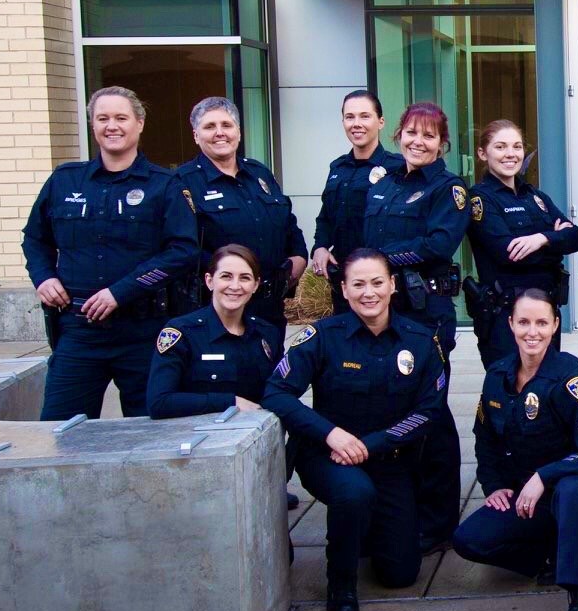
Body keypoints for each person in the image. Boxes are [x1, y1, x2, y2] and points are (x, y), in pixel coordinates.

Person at [263, 249, 447, 611]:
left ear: (392, 285)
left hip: (388, 459)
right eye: (358, 284)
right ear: (343, 290)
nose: (369, 292)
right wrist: (331, 434)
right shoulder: (321, 336)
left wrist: (371, 444)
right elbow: (276, 392)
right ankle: (341, 581)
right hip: (328, 457)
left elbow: (428, 412)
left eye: (377, 282)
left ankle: (365, 533)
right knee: (354, 493)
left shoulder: (420, 340)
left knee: (401, 575)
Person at [452, 290, 578, 611]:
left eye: (542, 323)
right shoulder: (497, 376)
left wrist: (545, 475)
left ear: (555, 325)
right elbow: (484, 438)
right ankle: (552, 553)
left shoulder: (568, 378)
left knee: (570, 489)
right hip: (533, 497)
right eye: (525, 322)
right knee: (469, 539)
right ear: (511, 324)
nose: (533, 332)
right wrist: (495, 485)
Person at [23, 86, 198, 420]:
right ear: (93, 125)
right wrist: (43, 277)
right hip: (79, 331)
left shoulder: (164, 185)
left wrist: (121, 292)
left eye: (121, 117)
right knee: (60, 431)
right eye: (102, 118)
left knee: (151, 432)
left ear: (140, 123)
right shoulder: (65, 181)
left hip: (142, 330)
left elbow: (183, 251)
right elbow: (35, 239)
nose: (111, 126)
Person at [362, 101, 471, 553]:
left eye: (429, 136)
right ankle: (397, 511)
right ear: (398, 137)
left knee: (431, 413)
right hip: (383, 314)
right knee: (389, 409)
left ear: (442, 144)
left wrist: (377, 265)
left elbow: (439, 243)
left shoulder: (449, 189)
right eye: (411, 133)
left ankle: (438, 520)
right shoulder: (381, 183)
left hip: (425, 315)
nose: (418, 142)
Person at [171, 96, 306, 328]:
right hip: (219, 310)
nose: (219, 132)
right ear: (196, 135)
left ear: (239, 132)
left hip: (270, 308)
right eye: (209, 126)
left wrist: (299, 257)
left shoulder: (259, 173)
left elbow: (287, 222)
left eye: (226, 125)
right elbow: (183, 248)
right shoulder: (182, 182)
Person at [466, 120, 578, 369]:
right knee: (509, 390)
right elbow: (508, 253)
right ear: (482, 153)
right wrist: (554, 245)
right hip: (505, 316)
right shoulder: (480, 199)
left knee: (546, 386)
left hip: (545, 312)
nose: (511, 154)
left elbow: (576, 237)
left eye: (517, 146)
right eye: (500, 147)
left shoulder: (536, 197)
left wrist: (541, 239)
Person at [146, 243, 285, 417]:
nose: (235, 286)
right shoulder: (182, 332)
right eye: (226, 276)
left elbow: (281, 392)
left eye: (245, 278)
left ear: (255, 285)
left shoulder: (267, 333)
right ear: (209, 281)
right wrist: (231, 402)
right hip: (196, 438)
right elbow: (159, 402)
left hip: (256, 435)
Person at [310, 89, 404, 277]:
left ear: (381, 122)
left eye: (365, 116)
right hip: (342, 276)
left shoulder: (398, 168)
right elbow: (326, 217)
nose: (356, 124)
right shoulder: (338, 168)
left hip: (381, 277)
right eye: (349, 117)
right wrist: (320, 247)